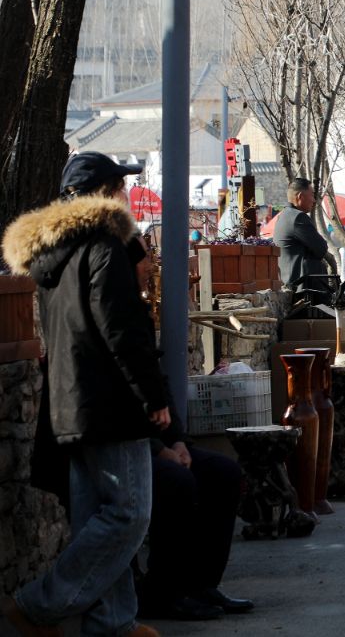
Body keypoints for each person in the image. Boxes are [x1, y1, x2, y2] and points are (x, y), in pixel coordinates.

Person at [1, 152, 169, 637]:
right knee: (129, 515)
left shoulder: (57, 254)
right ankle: (38, 606)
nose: (125, 195)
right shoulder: (101, 247)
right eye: (119, 185)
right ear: (104, 193)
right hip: (110, 403)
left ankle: (112, 623)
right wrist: (152, 395)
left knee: (97, 515)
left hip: (71, 404)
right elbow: (122, 330)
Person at [138, 389, 251, 621]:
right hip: (127, 446)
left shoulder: (145, 357)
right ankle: (163, 592)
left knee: (223, 472)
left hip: (159, 444)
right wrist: (159, 450)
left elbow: (163, 393)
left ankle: (202, 585)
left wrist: (178, 442)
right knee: (177, 481)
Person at [273, 178, 329, 289]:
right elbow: (321, 248)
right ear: (300, 196)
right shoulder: (297, 217)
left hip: (290, 282)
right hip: (304, 288)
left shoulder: (284, 216)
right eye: (312, 195)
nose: (314, 200)